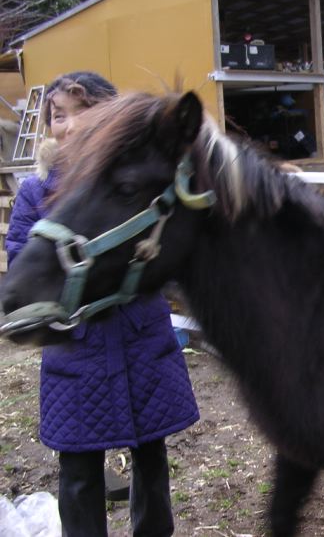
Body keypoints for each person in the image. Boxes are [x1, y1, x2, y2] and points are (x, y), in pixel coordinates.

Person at [5, 71, 200, 536]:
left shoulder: (130, 179)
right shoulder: (38, 189)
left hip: (141, 338)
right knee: (77, 471)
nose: (70, 125)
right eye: (58, 116)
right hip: (76, 347)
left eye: (84, 111)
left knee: (152, 461)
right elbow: (22, 257)